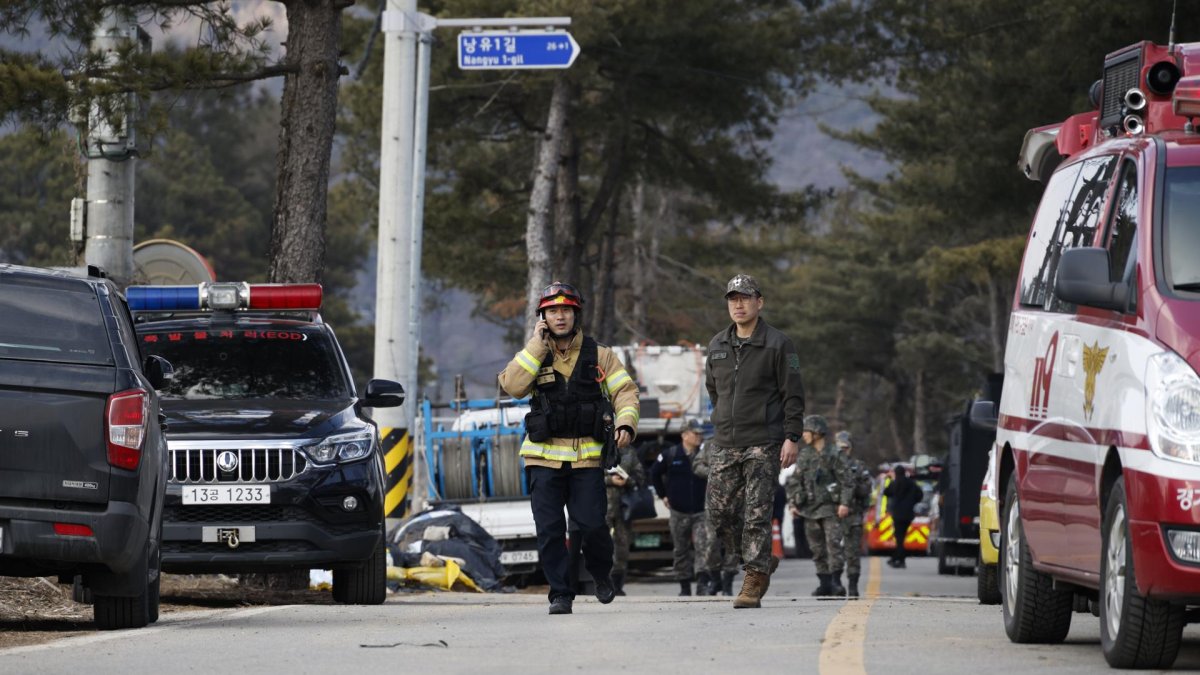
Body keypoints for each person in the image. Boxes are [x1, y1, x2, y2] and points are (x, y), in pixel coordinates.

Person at [498, 281, 640, 615]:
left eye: (566, 310)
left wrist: (625, 423)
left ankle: (601, 575)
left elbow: (626, 392)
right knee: (549, 531)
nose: (559, 317)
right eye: (552, 311)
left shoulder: (600, 355)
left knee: (591, 525)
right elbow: (512, 386)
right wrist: (536, 345)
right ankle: (560, 593)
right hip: (542, 458)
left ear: (575, 314)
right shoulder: (534, 353)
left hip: (586, 460)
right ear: (542, 316)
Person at [704, 273, 806, 609]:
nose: (738, 304)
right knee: (718, 514)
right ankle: (760, 562)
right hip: (724, 441)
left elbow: (793, 395)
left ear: (759, 302)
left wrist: (791, 437)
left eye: (745, 298)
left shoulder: (779, 344)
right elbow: (714, 390)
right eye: (733, 299)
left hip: (764, 441)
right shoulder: (717, 344)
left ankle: (752, 579)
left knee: (756, 514)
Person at [786, 415, 852, 597]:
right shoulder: (804, 455)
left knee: (833, 545)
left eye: (806, 431)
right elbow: (794, 482)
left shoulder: (834, 454)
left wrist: (844, 503)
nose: (804, 435)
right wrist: (793, 503)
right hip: (809, 510)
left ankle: (836, 582)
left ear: (816, 432)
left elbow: (846, 481)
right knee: (817, 549)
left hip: (831, 509)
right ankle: (824, 583)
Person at [649, 418, 709, 596]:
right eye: (695, 433)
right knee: (681, 549)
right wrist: (663, 496)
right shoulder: (671, 454)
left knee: (703, 547)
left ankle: (702, 585)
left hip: (701, 511)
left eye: (700, 434)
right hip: (678, 511)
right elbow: (654, 473)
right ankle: (684, 586)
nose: (699, 437)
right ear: (684, 435)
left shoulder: (705, 455)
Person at [691, 440, 739, 595]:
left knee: (733, 544)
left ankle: (727, 584)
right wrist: (713, 471)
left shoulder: (742, 442)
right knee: (711, 543)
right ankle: (716, 578)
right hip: (713, 503)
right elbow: (697, 465)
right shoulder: (711, 444)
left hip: (736, 502)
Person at [835, 430, 873, 598]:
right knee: (832, 551)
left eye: (846, 447)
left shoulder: (858, 466)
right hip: (833, 515)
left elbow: (866, 489)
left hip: (853, 514)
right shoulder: (829, 465)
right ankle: (834, 584)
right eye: (840, 448)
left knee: (852, 553)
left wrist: (852, 486)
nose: (843, 451)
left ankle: (852, 585)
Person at [605, 443, 645, 596]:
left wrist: (627, 480)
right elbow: (588, 478)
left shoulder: (629, 452)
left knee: (622, 547)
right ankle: (603, 583)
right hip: (602, 509)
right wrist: (610, 480)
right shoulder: (598, 447)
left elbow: (640, 476)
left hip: (624, 509)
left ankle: (617, 585)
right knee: (602, 547)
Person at [882, 464, 923, 569]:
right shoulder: (911, 483)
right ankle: (897, 558)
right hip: (908, 514)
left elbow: (886, 492)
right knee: (902, 537)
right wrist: (912, 502)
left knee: (899, 538)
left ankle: (899, 559)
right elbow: (920, 495)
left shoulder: (895, 483)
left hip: (897, 514)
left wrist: (890, 480)